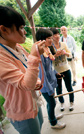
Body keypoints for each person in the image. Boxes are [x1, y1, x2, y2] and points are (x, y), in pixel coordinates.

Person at [0, 5, 45, 134]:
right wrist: (35, 56)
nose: (24, 31)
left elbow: (26, 71)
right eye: (20, 28)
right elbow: (25, 84)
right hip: (22, 108)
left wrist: (35, 81)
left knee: (40, 126)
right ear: (4, 29)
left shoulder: (18, 48)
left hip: (33, 100)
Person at [36, 29, 66, 129]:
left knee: (51, 102)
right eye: (49, 38)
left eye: (51, 37)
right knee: (52, 103)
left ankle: (51, 116)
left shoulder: (47, 50)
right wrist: (49, 90)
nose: (51, 39)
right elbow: (42, 74)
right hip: (45, 86)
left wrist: (56, 73)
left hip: (50, 82)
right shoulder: (40, 54)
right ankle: (53, 122)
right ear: (41, 40)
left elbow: (49, 67)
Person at [49, 28, 75, 112]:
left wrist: (65, 53)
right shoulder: (49, 47)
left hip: (66, 69)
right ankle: (62, 103)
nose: (57, 36)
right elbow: (48, 60)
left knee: (69, 87)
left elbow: (70, 55)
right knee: (59, 89)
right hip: (56, 71)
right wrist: (55, 55)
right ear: (51, 37)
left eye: (57, 34)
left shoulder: (63, 44)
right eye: (54, 35)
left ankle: (71, 102)